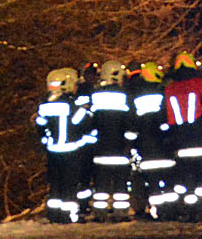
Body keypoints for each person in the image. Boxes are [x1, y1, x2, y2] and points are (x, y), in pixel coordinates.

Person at [160, 51, 202, 221]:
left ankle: (189, 212)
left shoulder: (170, 89)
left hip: (180, 144)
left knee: (186, 181)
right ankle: (200, 211)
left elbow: (164, 115)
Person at [36, 68, 91, 222]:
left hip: (52, 152)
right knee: (69, 185)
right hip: (70, 152)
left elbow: (40, 127)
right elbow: (83, 124)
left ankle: (53, 214)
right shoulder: (72, 106)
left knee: (55, 185)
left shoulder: (45, 106)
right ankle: (69, 216)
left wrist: (46, 141)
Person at [82, 60, 135, 219]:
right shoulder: (126, 95)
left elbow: (89, 122)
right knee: (120, 184)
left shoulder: (95, 95)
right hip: (120, 149)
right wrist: (129, 144)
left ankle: (100, 212)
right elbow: (131, 123)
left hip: (100, 150)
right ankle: (120, 212)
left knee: (101, 184)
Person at [126, 60, 171, 220]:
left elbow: (132, 123)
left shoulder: (136, 97)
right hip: (164, 146)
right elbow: (168, 119)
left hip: (145, 147)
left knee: (151, 183)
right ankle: (169, 211)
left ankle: (155, 211)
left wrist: (130, 144)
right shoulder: (164, 93)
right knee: (167, 182)